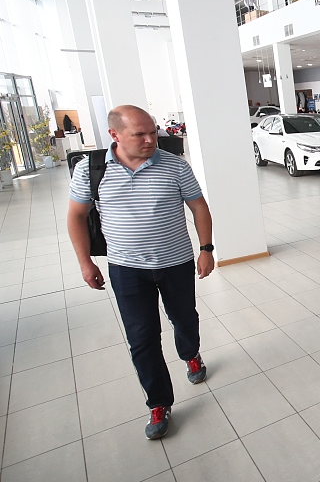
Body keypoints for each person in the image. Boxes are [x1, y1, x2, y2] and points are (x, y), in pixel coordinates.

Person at [66, 105, 215, 440]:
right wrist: (85, 261)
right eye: (140, 134)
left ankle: (190, 354)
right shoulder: (92, 170)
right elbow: (76, 216)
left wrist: (206, 249)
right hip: (126, 269)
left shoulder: (175, 165)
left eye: (153, 132)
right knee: (142, 339)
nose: (151, 140)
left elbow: (198, 206)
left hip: (176, 263)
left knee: (184, 318)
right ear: (114, 135)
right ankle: (159, 402)